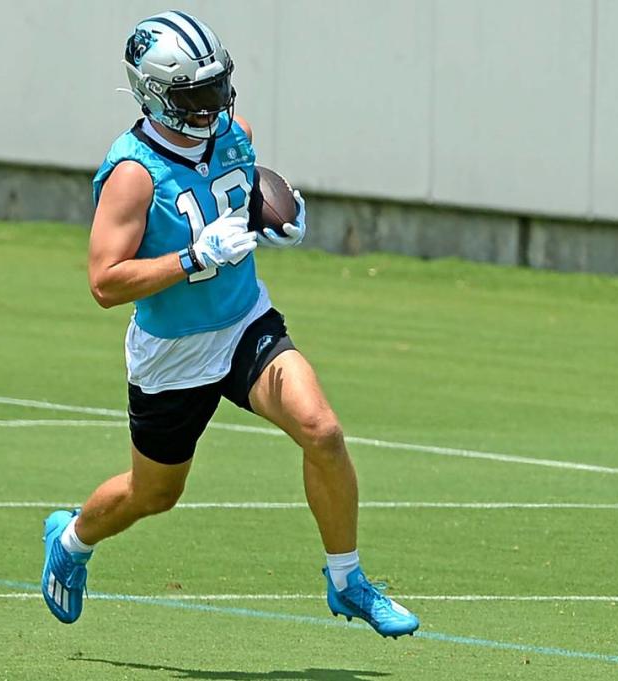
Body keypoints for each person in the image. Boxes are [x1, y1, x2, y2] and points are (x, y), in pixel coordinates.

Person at [40, 9, 419, 639]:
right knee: (153, 493)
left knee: (322, 431)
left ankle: (347, 580)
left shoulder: (234, 132)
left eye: (218, 86)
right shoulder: (133, 174)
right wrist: (192, 258)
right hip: (173, 354)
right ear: (154, 95)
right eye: (196, 94)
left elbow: (241, 199)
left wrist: (278, 214)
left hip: (244, 322)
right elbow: (105, 282)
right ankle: (74, 539)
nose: (212, 104)